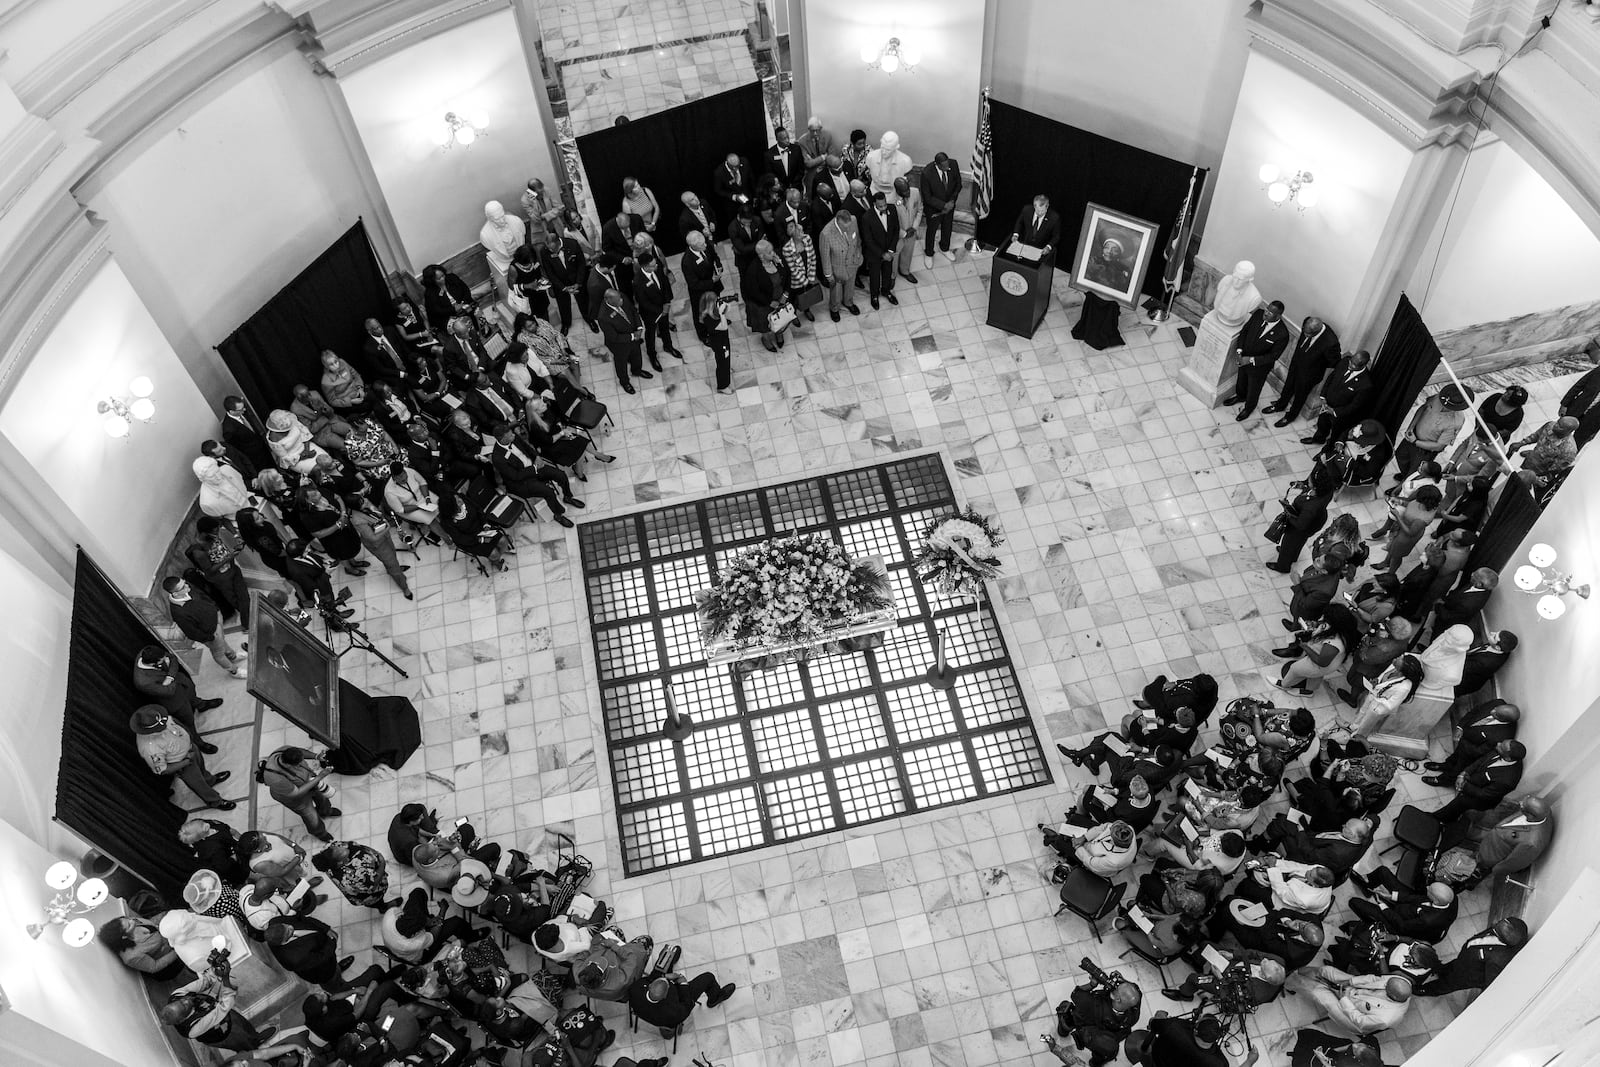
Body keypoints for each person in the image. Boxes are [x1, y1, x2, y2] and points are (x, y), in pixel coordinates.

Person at [160, 954, 275, 1051]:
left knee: (242, 1024)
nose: (186, 999)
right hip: (221, 1034)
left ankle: (255, 1036)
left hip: (215, 1009)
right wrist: (225, 978)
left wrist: (214, 968)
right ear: (182, 1019)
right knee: (241, 1041)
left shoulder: (177, 995)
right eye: (185, 1006)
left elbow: (205, 982)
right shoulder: (193, 1029)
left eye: (181, 1001)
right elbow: (225, 1005)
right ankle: (254, 1047)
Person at [133, 644, 220, 753]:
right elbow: (168, 692)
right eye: (162, 660)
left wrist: (169, 678)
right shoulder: (143, 682)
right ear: (152, 663)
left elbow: (173, 659)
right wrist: (170, 676)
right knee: (189, 722)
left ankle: (201, 705)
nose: (165, 659)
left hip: (182, 684)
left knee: (193, 697)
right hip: (174, 702)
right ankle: (199, 743)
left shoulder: (148, 652)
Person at [491, 425, 580, 527]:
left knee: (561, 475)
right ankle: (558, 515)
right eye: (510, 435)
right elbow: (515, 476)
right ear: (503, 439)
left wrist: (537, 456)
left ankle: (568, 497)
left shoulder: (514, 437)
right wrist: (534, 468)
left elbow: (527, 448)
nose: (514, 435)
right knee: (548, 492)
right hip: (522, 482)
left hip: (535, 467)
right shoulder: (497, 457)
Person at [1413, 917, 1527, 996]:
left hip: (1466, 975)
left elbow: (1490, 983)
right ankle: (1440, 971)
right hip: (1463, 960)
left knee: (1445, 985)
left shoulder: (1498, 959)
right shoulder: (1505, 927)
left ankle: (1422, 990)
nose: (1495, 924)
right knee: (1450, 966)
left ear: (1504, 938)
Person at [1461, 795, 1554, 889]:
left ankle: (1467, 884)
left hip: (1491, 859)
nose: (1520, 803)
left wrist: (1495, 870)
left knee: (1477, 872)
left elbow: (1513, 863)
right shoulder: (1543, 812)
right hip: (1489, 847)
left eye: (1523, 806)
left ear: (1530, 815)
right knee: (1475, 861)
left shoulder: (1531, 844)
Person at [1264, 317, 1342, 426]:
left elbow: (1334, 362)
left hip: (1309, 375)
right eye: (1304, 331)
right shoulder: (1307, 322)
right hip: (1296, 365)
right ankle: (1279, 405)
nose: (1305, 335)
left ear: (1317, 331)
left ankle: (1290, 416)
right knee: (1288, 386)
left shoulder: (1330, 342)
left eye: (1309, 334)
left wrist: (1316, 364)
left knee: (1300, 397)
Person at [161, 576, 245, 676]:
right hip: (211, 634)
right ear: (175, 593)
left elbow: (204, 596)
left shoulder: (188, 590)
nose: (187, 586)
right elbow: (192, 632)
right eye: (183, 587)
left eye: (185, 582)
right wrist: (210, 637)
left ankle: (233, 656)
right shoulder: (178, 613)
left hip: (217, 619)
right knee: (218, 653)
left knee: (222, 641)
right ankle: (234, 671)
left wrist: (216, 609)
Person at [1429, 739, 1526, 824]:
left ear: (1508, 758)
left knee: (1460, 803)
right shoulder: (1502, 751)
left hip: (1481, 799)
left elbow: (1485, 794)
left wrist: (1465, 785)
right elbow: (1480, 761)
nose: (1498, 744)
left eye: (1501, 746)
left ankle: (1436, 818)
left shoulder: (1508, 780)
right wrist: (1464, 773)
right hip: (1473, 781)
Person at [1223, 300, 1290, 420]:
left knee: (1254, 389)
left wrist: (1250, 360)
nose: (1265, 313)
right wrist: (1239, 351)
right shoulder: (1258, 314)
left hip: (1259, 367)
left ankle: (1248, 408)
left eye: (1270, 313)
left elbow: (1273, 356)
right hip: (1243, 357)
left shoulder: (1282, 334)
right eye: (1267, 309)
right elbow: (1245, 331)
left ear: (1278, 316)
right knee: (1241, 380)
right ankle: (1240, 396)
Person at [1052, 977, 1141, 1066]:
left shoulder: (1092, 1003)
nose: (1115, 987)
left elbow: (1076, 994)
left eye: (1117, 988)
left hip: (1087, 1032)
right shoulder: (1133, 1016)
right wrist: (1125, 982)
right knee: (1102, 1054)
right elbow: (1138, 994)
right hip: (1107, 1041)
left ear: (1117, 999)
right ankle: (1095, 1063)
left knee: (1067, 1010)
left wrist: (1091, 985)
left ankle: (1063, 1030)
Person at [1298, 968, 1412, 1036]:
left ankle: (1289, 981)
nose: (1385, 983)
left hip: (1352, 1018)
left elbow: (1360, 1020)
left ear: (1393, 996)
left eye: (1386, 986)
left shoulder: (1385, 1018)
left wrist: (1343, 999)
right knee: (1326, 970)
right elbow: (1374, 979)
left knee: (1317, 992)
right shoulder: (1399, 983)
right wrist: (1350, 982)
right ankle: (1299, 970)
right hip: (1355, 990)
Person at [257, 745, 338, 839]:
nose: (301, 765)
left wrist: (316, 756)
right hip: (295, 798)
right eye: (299, 764)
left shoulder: (285, 751)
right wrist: (319, 777)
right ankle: (320, 833)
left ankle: (326, 811)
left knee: (322, 797)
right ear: (288, 765)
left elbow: (301, 751)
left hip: (309, 781)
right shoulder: (275, 778)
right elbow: (296, 793)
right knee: (310, 816)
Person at [1393, 384, 1471, 481]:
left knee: (1414, 473)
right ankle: (1404, 476)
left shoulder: (1456, 421)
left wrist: (1415, 442)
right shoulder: (1438, 398)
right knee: (1400, 455)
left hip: (1424, 451)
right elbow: (1423, 409)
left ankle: (1402, 485)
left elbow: (1439, 446)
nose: (1444, 404)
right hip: (1413, 436)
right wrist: (1411, 426)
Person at [1426, 699, 1520, 778]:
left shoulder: (1502, 736)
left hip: (1470, 752)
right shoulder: (1498, 703)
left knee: (1457, 768)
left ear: (1503, 719)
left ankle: (1443, 780)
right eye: (1495, 709)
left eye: (1496, 714)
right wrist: (1460, 727)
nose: (1492, 712)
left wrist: (1465, 746)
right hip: (1465, 737)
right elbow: (1476, 711)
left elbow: (1481, 751)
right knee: (1454, 757)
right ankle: (1445, 765)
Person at [628, 967, 736, 1036]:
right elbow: (687, 1004)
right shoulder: (673, 1012)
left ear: (650, 986)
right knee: (708, 977)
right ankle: (714, 998)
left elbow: (648, 978)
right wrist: (683, 983)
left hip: (645, 1012)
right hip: (679, 999)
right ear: (665, 995)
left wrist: (664, 976)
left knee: (665, 961)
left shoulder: (634, 990)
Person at [1347, 879, 1457, 943]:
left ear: (1436, 901)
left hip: (1401, 926)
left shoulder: (1427, 920)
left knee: (1355, 902)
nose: (1427, 887)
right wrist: (1391, 896)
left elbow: (1402, 926)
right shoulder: (1452, 898)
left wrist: (1383, 906)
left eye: (1430, 890)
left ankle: (1368, 923)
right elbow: (1417, 898)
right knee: (1384, 872)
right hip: (1409, 911)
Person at [1303, 349, 1376, 445]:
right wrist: (1323, 397)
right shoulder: (1345, 361)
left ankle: (1327, 451)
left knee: (1335, 435)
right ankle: (1318, 439)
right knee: (1322, 424)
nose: (1349, 365)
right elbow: (1330, 378)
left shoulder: (1366, 384)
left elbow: (1355, 405)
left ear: (1364, 365)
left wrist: (1334, 411)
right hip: (1326, 404)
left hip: (1341, 415)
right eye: (1351, 361)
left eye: (1354, 365)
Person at [1346, 652, 1423, 740]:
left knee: (1366, 723)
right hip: (1373, 695)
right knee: (1362, 712)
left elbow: (1391, 705)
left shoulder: (1404, 687)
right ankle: (1353, 727)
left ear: (1402, 670)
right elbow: (1383, 677)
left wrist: (1378, 697)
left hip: (1378, 707)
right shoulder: (1393, 666)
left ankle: (1356, 737)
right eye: (1400, 657)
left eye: (1399, 659)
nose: (1397, 658)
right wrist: (1377, 681)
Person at [1374, 484, 1442, 573]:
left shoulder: (1422, 519)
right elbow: (1411, 505)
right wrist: (1399, 502)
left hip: (1405, 538)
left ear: (1425, 500)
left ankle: (1391, 573)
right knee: (1392, 548)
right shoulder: (1423, 503)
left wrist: (1397, 516)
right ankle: (1386, 562)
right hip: (1402, 528)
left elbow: (1410, 533)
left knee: (1397, 555)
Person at [1267, 482, 1333, 573]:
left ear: (1315, 487)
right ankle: (1293, 557)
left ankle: (1283, 566)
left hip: (1301, 527)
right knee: (1298, 542)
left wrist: (1289, 514)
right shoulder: (1326, 492)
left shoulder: (1311, 507)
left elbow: (1300, 525)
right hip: (1313, 523)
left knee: (1288, 544)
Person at [742, 239, 793, 352]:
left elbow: (788, 275)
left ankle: (779, 333)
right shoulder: (753, 269)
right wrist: (769, 302)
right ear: (761, 255)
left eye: (772, 250)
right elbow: (753, 291)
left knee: (780, 319)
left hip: (780, 299)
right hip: (763, 303)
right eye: (769, 252)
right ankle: (766, 339)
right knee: (764, 324)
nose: (773, 253)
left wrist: (786, 293)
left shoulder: (777, 259)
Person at [631, 248, 679, 367]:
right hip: (650, 313)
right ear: (645, 266)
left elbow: (665, 285)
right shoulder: (638, 281)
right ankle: (652, 356)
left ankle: (668, 346)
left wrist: (667, 303)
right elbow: (643, 302)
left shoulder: (657, 270)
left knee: (665, 329)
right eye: (653, 265)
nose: (656, 266)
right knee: (651, 334)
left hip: (664, 307)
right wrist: (660, 311)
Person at [98, 914, 186, 979]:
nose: (132, 920)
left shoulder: (129, 921)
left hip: (169, 939)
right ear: (124, 936)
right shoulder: (131, 956)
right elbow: (154, 966)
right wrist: (178, 951)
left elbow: (153, 925)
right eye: (129, 925)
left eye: (126, 919)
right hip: (170, 959)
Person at [311, 839, 392, 909]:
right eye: (340, 852)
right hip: (369, 894)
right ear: (340, 863)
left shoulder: (331, 850)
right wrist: (382, 862)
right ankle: (383, 907)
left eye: (338, 847)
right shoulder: (353, 876)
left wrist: (373, 853)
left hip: (366, 876)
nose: (342, 847)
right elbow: (373, 884)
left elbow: (353, 845)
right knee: (376, 902)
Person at [1124, 1014, 1227, 1067]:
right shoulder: (1219, 1063)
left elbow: (1154, 1024)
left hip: (1156, 1061)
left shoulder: (1174, 1027)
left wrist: (1160, 1017)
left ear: (1195, 1031)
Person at [540, 223, 589, 335]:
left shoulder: (572, 244)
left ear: (558, 242)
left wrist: (579, 283)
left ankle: (588, 319)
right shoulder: (545, 251)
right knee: (563, 305)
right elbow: (549, 272)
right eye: (549, 249)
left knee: (583, 300)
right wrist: (563, 288)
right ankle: (566, 324)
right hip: (560, 283)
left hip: (576, 279)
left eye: (553, 249)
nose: (551, 252)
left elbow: (581, 264)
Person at [597, 286, 646, 395]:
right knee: (621, 363)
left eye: (620, 298)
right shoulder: (603, 316)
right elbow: (613, 337)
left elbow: (633, 311)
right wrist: (633, 336)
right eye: (618, 301)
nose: (621, 301)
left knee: (636, 354)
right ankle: (625, 382)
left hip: (634, 336)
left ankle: (637, 370)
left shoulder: (620, 296)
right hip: (619, 345)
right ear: (608, 300)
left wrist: (639, 327)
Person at [818, 206, 863, 322]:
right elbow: (825, 256)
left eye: (848, 227)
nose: (847, 229)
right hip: (837, 268)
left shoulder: (853, 220)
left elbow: (857, 238)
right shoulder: (826, 234)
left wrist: (858, 253)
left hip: (852, 263)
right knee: (836, 292)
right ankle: (834, 308)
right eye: (844, 227)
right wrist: (828, 275)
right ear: (837, 221)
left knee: (850, 287)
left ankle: (848, 302)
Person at [1509, 415, 1581, 486]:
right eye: (1557, 422)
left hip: (1540, 471)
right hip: (1531, 459)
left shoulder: (1569, 450)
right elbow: (1536, 435)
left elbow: (1555, 470)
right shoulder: (1550, 425)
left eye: (1560, 426)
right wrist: (1521, 443)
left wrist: (1538, 479)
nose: (1555, 425)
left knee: (1523, 485)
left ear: (1569, 431)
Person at [858, 190, 900, 310]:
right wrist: (882, 254)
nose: (883, 207)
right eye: (880, 206)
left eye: (884, 205)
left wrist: (891, 250)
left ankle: (886, 291)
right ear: (874, 204)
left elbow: (896, 230)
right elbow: (868, 240)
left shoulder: (892, 209)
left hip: (889, 251)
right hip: (874, 253)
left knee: (887, 272)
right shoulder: (867, 217)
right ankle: (874, 296)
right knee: (875, 276)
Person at [681, 230, 722, 345]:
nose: (706, 245)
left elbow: (715, 257)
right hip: (700, 293)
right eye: (702, 245)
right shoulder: (687, 262)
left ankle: (717, 319)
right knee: (701, 313)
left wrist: (719, 266)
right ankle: (703, 335)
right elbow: (693, 284)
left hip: (713, 286)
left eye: (704, 243)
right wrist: (711, 281)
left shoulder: (705, 244)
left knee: (716, 304)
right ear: (693, 246)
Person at [920, 151, 963, 264]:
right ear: (937, 164)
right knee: (931, 231)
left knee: (947, 227)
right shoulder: (926, 173)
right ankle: (929, 253)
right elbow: (927, 197)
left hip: (950, 204)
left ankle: (944, 248)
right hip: (933, 208)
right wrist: (943, 205)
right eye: (944, 166)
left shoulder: (953, 164)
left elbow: (958, 184)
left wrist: (952, 201)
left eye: (948, 164)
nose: (948, 167)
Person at [180, 818, 247, 881]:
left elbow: (230, 830)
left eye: (201, 823)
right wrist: (233, 858)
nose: (206, 825)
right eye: (204, 829)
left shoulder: (207, 824)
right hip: (232, 861)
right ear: (201, 838)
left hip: (232, 845)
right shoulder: (213, 849)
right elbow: (223, 866)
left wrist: (242, 839)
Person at [221, 396, 274, 474]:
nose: (244, 410)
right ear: (232, 412)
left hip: (263, 447)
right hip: (255, 458)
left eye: (243, 407)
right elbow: (237, 450)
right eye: (241, 409)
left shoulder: (243, 412)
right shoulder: (228, 429)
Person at [1457, 629, 1517, 696]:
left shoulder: (1486, 663)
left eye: (1494, 637)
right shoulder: (1500, 647)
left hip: (1463, 681)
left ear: (1497, 648)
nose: (1492, 633)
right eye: (1495, 633)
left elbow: (1462, 667)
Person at [700, 291, 735, 395]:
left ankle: (727, 369)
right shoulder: (707, 318)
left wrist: (725, 306)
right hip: (719, 344)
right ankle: (722, 386)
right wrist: (722, 313)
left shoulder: (714, 310)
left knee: (726, 358)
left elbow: (727, 309)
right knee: (722, 363)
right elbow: (724, 326)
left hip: (723, 340)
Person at [891, 175, 923, 283]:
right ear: (898, 191)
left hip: (912, 232)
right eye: (904, 192)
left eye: (908, 189)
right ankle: (892, 276)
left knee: (908, 252)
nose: (908, 193)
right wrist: (903, 233)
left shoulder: (915, 192)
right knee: (894, 256)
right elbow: (891, 224)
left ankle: (904, 271)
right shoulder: (891, 201)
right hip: (898, 235)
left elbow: (919, 210)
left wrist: (914, 227)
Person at [712, 150, 753, 219]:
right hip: (733, 205)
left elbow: (751, 178)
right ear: (728, 164)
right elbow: (718, 190)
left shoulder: (744, 161)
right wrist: (733, 196)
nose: (737, 168)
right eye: (734, 167)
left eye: (738, 165)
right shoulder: (719, 173)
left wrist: (754, 195)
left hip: (748, 199)